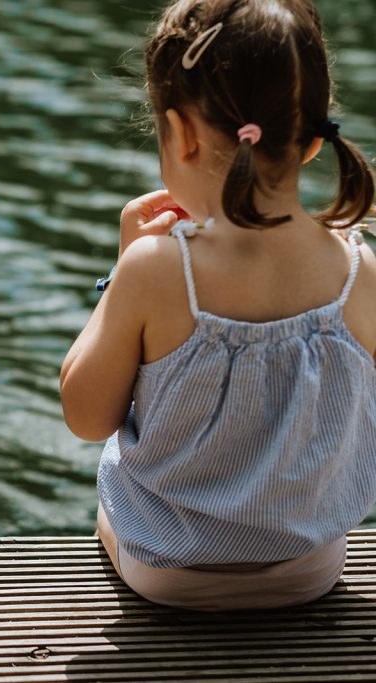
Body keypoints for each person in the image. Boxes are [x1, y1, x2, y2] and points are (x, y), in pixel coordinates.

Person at [60, 0, 376, 611]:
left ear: (179, 133)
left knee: (110, 493)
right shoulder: (361, 272)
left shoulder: (156, 268)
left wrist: (122, 271)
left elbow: (85, 416)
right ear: (312, 141)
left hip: (170, 574)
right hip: (310, 569)